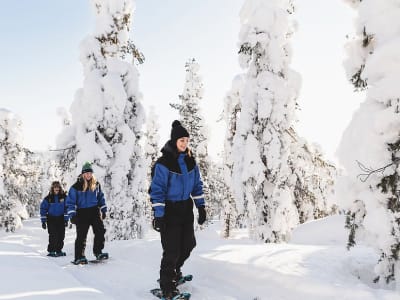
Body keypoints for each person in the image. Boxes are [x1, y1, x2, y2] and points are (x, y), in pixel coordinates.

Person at [150, 120, 207, 299]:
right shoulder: (164, 163)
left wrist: (201, 207)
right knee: (171, 250)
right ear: (174, 141)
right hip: (169, 211)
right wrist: (159, 215)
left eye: (186, 140)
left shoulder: (191, 162)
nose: (184, 143)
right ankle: (167, 286)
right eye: (181, 140)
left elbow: (197, 185)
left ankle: (175, 271)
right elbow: (157, 190)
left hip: (185, 209)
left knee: (189, 244)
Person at [66, 162, 108, 265]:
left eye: (90, 173)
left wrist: (103, 209)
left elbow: (100, 197)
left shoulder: (96, 184)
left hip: (94, 211)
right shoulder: (76, 187)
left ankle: (98, 252)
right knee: (81, 236)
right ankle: (79, 257)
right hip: (82, 213)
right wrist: (72, 215)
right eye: (86, 173)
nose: (88, 175)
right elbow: (70, 202)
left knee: (100, 231)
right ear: (82, 174)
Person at [40, 181, 69, 257]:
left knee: (61, 235)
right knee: (53, 235)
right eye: (55, 187)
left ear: (60, 188)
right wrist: (43, 221)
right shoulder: (48, 198)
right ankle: (52, 251)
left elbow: (67, 208)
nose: (56, 189)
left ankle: (59, 250)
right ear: (52, 188)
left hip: (61, 218)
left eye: (58, 187)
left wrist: (66, 219)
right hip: (51, 219)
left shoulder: (64, 197)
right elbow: (43, 209)